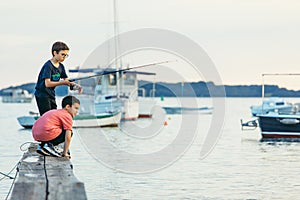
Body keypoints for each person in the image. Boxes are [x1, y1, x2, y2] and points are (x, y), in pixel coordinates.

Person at [34, 41, 82, 116]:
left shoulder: (61, 67)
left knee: (54, 115)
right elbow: (47, 84)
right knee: (47, 116)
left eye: (66, 55)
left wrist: (76, 86)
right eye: (62, 54)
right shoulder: (48, 66)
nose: (64, 57)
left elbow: (67, 80)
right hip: (42, 95)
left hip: (51, 94)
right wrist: (63, 82)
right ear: (55, 53)